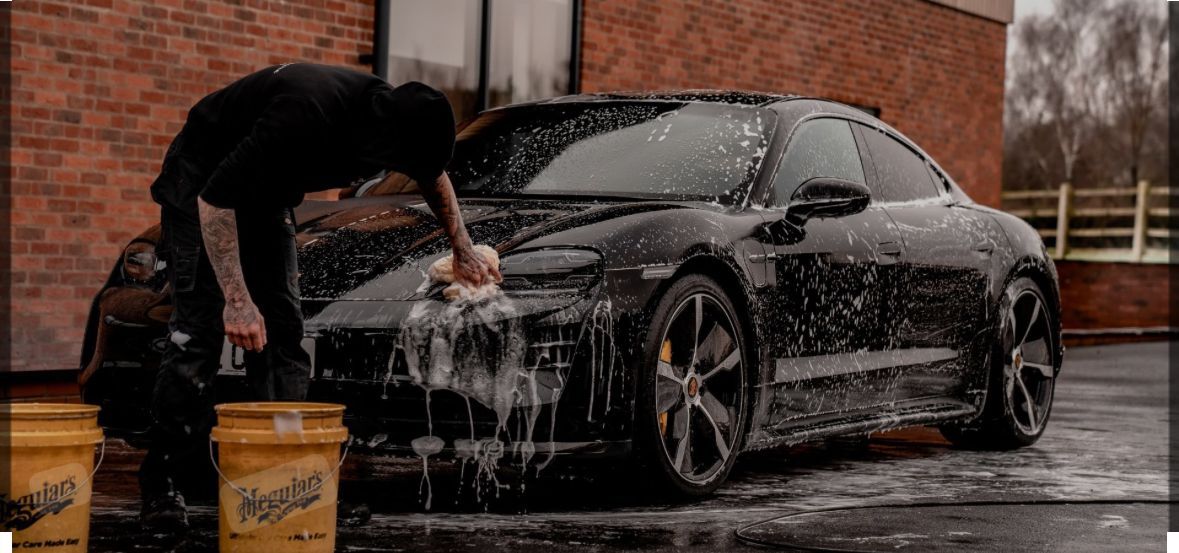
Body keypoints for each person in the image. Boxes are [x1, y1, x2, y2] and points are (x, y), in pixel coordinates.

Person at [139, 63, 500, 530]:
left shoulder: (402, 117)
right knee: (199, 333)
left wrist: (463, 247)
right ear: (382, 136)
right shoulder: (305, 113)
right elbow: (215, 202)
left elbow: (433, 176)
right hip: (201, 189)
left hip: (265, 194)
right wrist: (238, 299)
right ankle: (164, 482)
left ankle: (288, 478)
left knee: (284, 334)